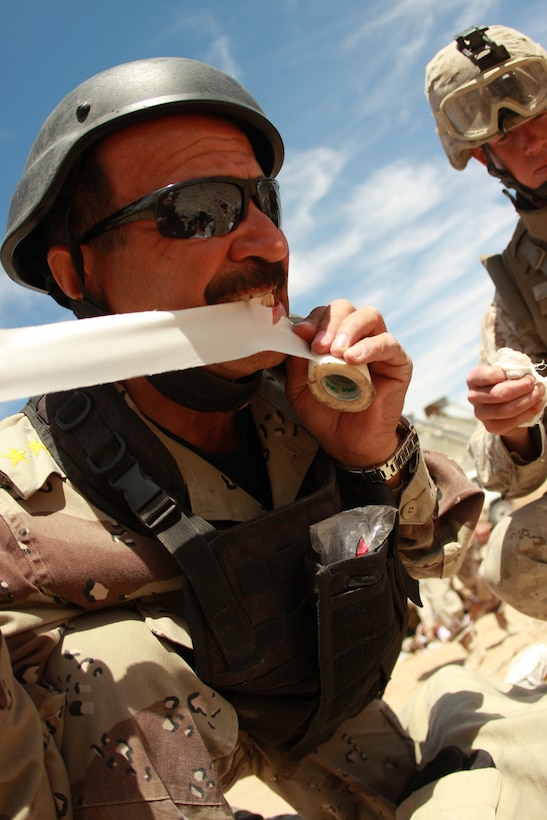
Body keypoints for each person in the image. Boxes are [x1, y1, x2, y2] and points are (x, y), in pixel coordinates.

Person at [0, 57, 483, 819]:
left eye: (264, 201)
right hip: (154, 750)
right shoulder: (19, 499)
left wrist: (372, 459)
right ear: (75, 271)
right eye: (200, 209)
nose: (268, 242)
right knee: (110, 662)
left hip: (319, 701)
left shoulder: (308, 397)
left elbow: (442, 553)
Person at [425, 25, 547, 621]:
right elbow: (507, 478)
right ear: (483, 158)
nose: (535, 139)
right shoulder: (518, 297)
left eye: (541, 111)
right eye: (508, 134)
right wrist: (518, 422)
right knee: (518, 558)